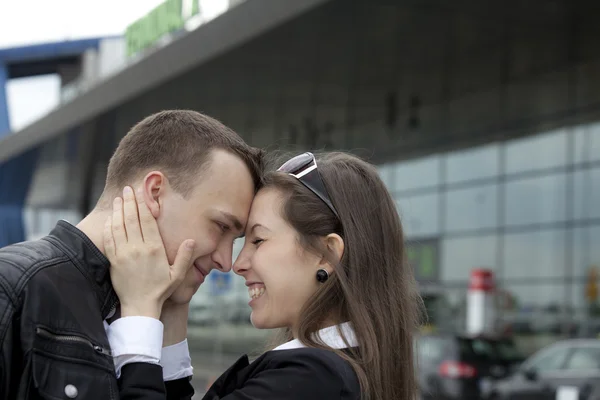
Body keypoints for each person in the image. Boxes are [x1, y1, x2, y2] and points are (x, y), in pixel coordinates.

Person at [106, 151, 422, 400]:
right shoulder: (337, 370)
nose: (237, 263)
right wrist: (174, 306)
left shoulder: (310, 380)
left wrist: (140, 310)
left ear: (326, 254)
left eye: (258, 240)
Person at [0, 110, 264, 399]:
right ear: (154, 192)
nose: (226, 262)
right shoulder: (13, 287)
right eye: (221, 226)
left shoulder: (152, 308)